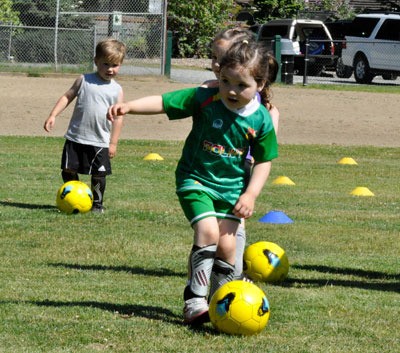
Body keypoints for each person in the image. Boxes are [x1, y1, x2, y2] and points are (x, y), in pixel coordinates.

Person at [107, 40, 278, 325]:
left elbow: (263, 161)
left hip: (232, 189)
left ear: (259, 85)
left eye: (241, 85)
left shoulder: (260, 120)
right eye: (225, 81)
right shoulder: (205, 97)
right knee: (208, 231)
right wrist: (129, 107)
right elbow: (164, 102)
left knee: (227, 248)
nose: (231, 90)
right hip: (194, 179)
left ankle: (222, 302)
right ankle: (195, 299)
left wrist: (250, 194)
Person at [203, 27, 280, 280]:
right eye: (214, 57)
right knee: (211, 226)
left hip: (239, 169)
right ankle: (210, 275)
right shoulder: (213, 90)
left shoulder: (258, 105)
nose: (216, 63)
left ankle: (230, 276)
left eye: (222, 57)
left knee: (233, 223)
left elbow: (265, 149)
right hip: (212, 167)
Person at [44, 38, 126, 213]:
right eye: (106, 64)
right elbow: (67, 96)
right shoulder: (84, 80)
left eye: (115, 65)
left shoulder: (117, 90)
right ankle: (76, 196)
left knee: (99, 174)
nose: (110, 69)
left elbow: (118, 118)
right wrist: (53, 115)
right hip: (76, 136)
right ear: (96, 61)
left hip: (100, 140)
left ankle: (97, 204)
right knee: (67, 169)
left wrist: (113, 143)